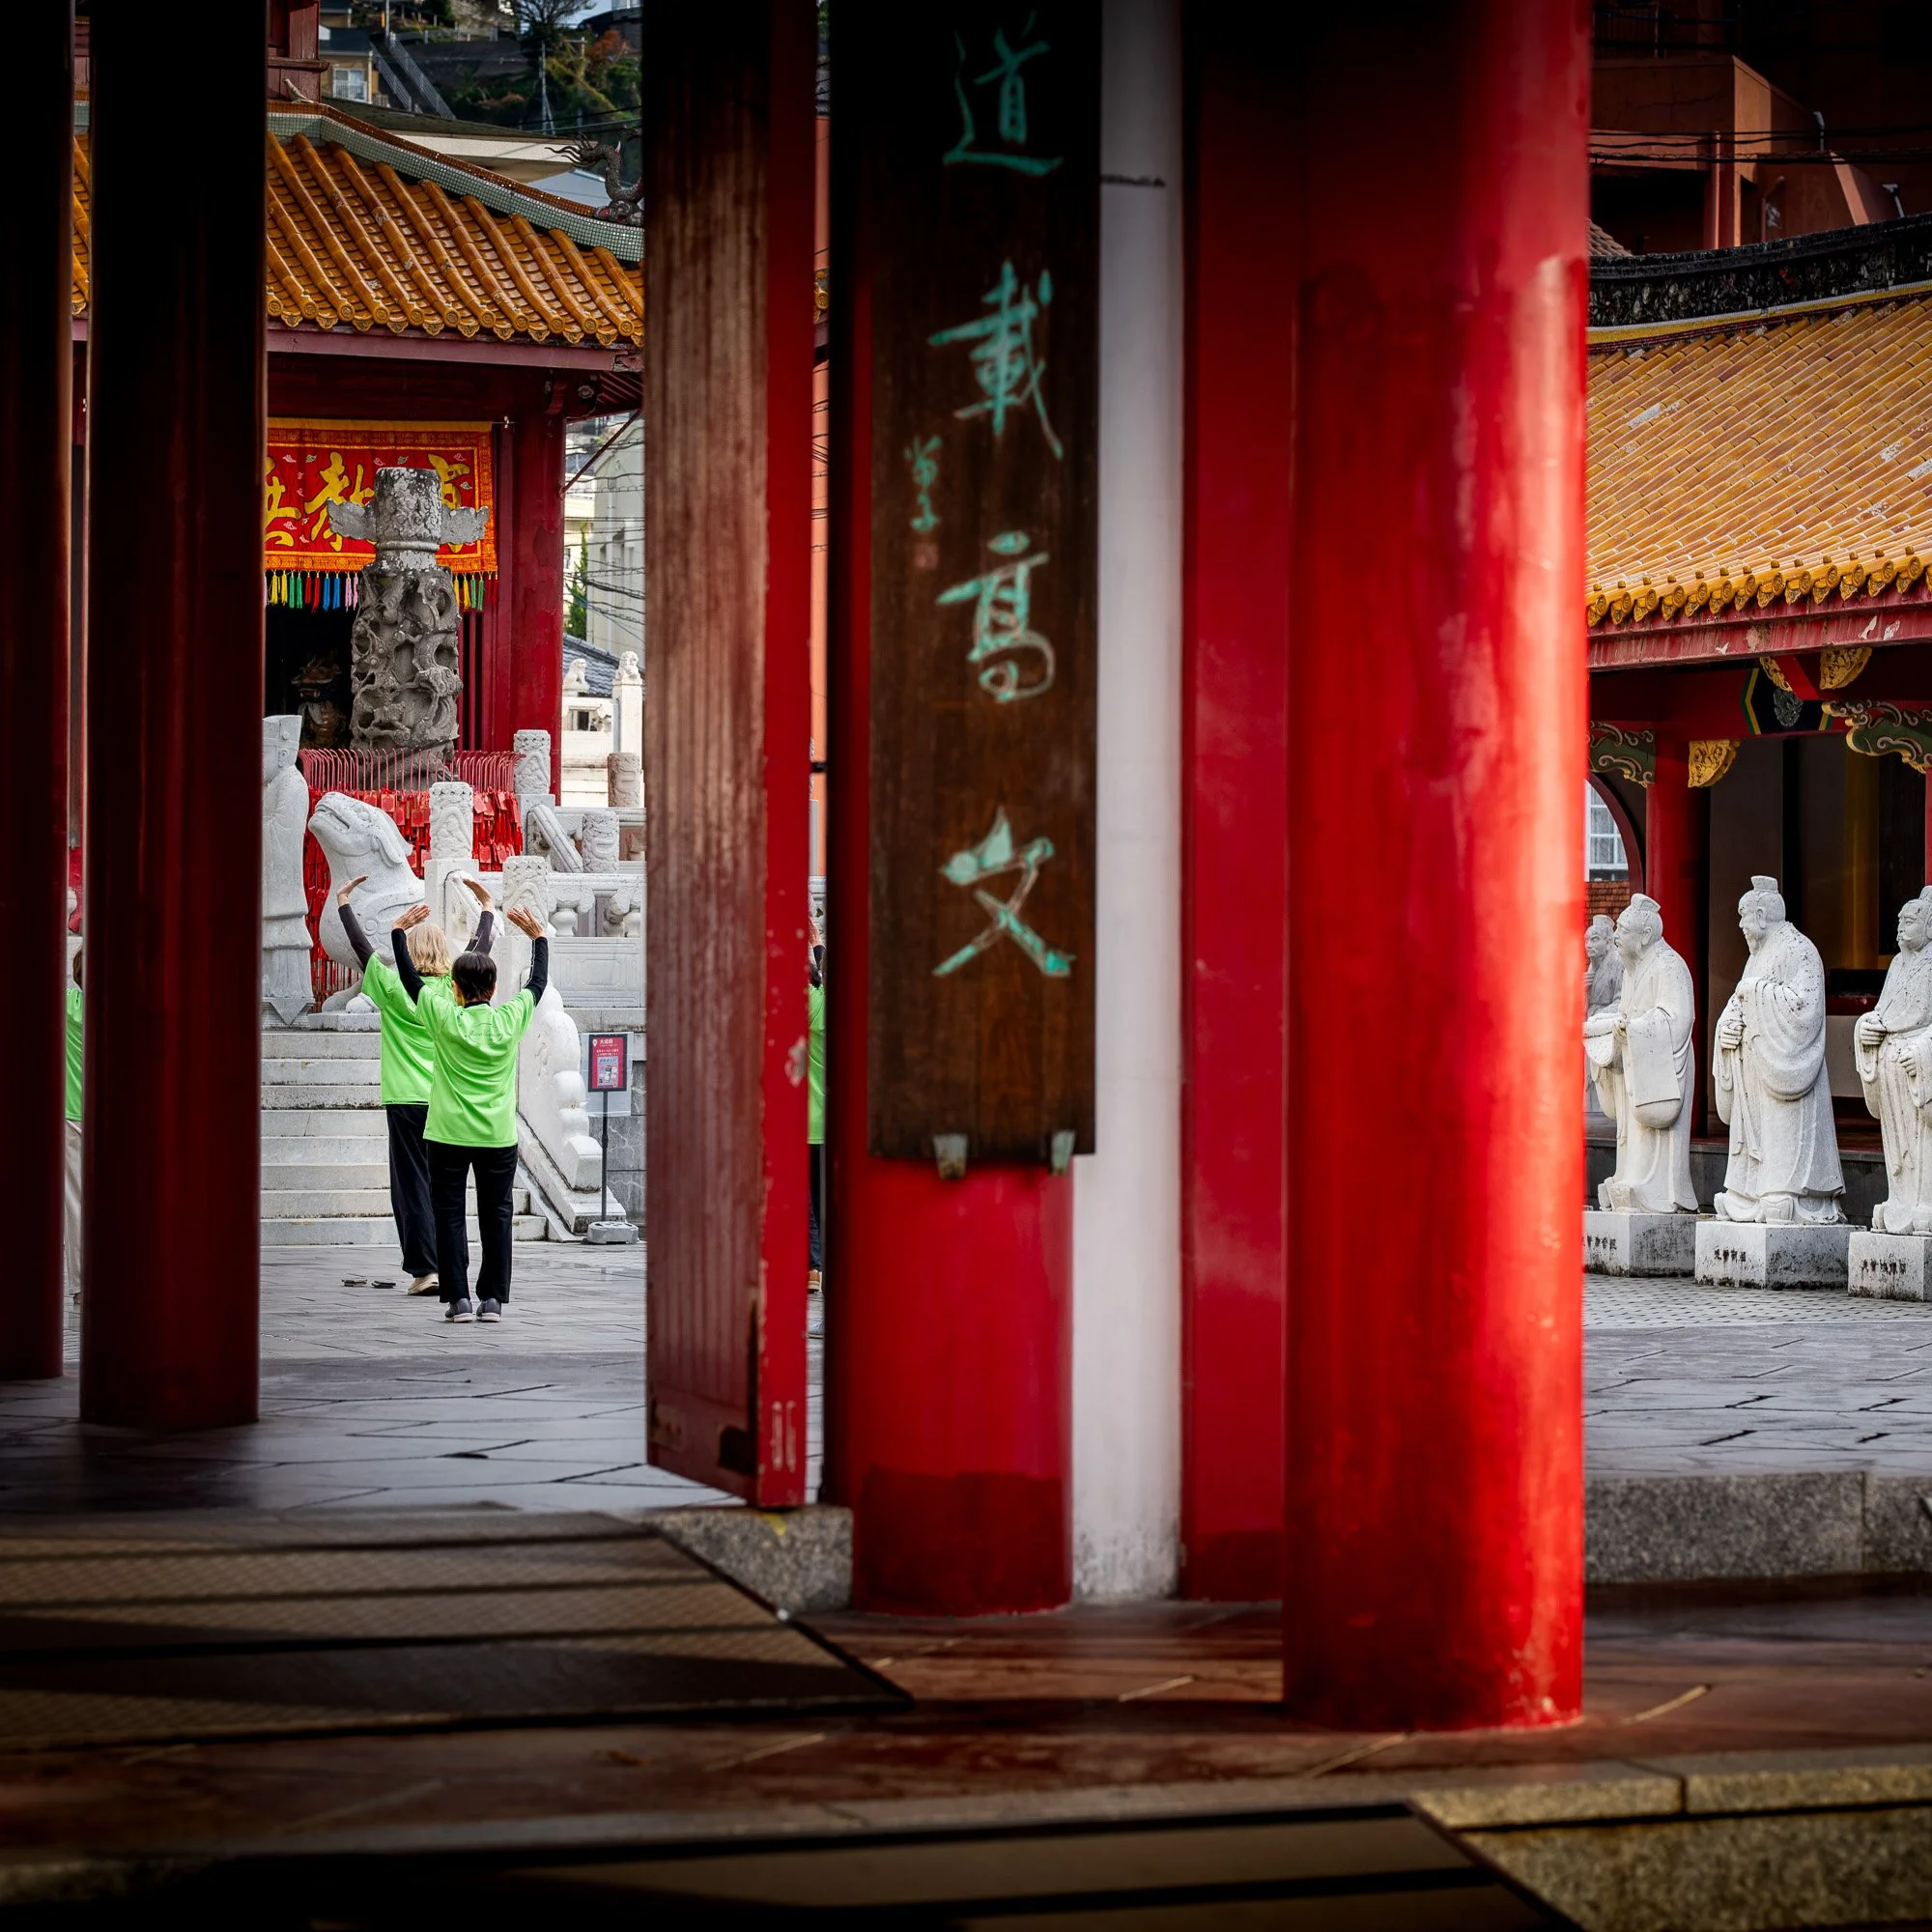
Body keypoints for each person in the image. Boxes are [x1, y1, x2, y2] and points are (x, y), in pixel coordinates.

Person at [337, 872, 495, 1295]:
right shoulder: (453, 989)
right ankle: (454, 1266)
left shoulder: (392, 985)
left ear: (407, 951)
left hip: (404, 1098)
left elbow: (361, 948)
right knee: (446, 1189)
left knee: (411, 1186)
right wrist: (486, 909)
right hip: (445, 1099)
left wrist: (344, 903)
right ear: (445, 953)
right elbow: (481, 951)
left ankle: (426, 1271)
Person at [391, 899, 549, 1324]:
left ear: (455, 990)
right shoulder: (508, 1020)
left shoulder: (445, 1018)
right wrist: (539, 939)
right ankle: (493, 1300)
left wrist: (397, 936)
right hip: (497, 1136)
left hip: (446, 1134)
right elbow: (536, 985)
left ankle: (458, 1301)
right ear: (494, 990)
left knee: (449, 1214)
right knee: (496, 1215)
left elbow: (410, 981)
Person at [807, 921, 825, 1292]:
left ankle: (812, 1266)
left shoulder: (808, 1006)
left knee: (805, 1201)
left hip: (803, 1124)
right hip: (831, 1127)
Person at [64, 950, 82, 1307]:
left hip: (70, 1115)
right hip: (116, 1119)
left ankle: (82, 1284)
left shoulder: (67, 1006)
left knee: (76, 1203)